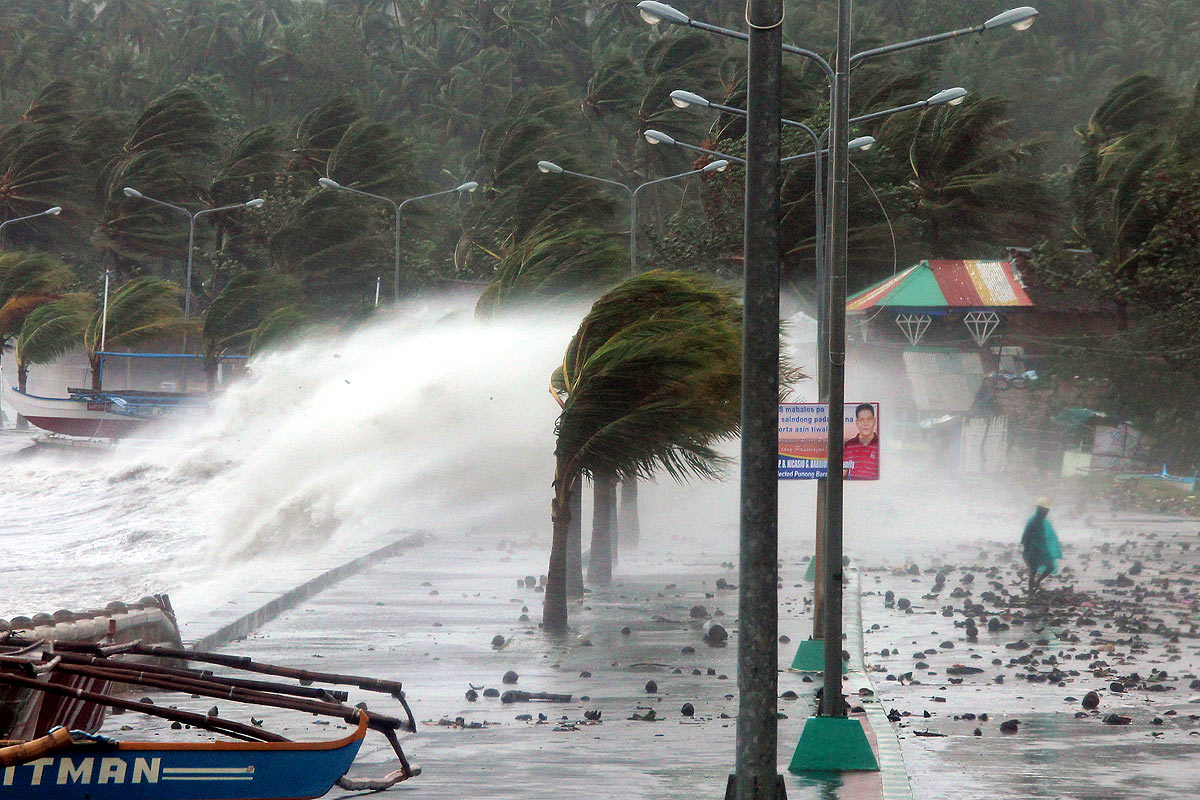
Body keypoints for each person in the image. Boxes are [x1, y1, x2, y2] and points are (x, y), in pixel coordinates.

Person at [1022, 497, 1062, 593]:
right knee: (1033, 572)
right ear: (1041, 510)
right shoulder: (1034, 521)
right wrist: (1028, 551)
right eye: (1045, 510)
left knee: (1049, 567)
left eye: (1047, 511)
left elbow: (1045, 536)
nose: (1046, 513)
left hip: (1040, 550)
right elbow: (1025, 538)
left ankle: (1037, 583)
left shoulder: (1041, 521)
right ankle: (1031, 593)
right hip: (1033, 550)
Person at [843, 403, 879, 480]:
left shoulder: (880, 445)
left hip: (877, 490)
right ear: (857, 422)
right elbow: (843, 474)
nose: (865, 424)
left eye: (869, 419)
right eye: (861, 420)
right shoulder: (849, 446)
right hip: (855, 489)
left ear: (874, 421)